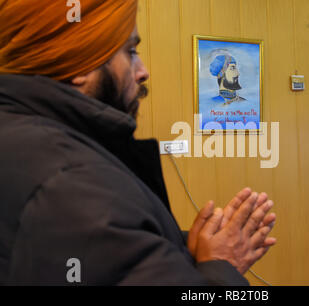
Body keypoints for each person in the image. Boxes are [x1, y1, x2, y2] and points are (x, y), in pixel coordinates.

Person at [0, 0, 276, 285]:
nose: (142, 71)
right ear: (80, 61)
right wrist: (222, 264)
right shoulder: (72, 182)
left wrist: (180, 249)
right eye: (130, 51)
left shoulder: (19, 136)